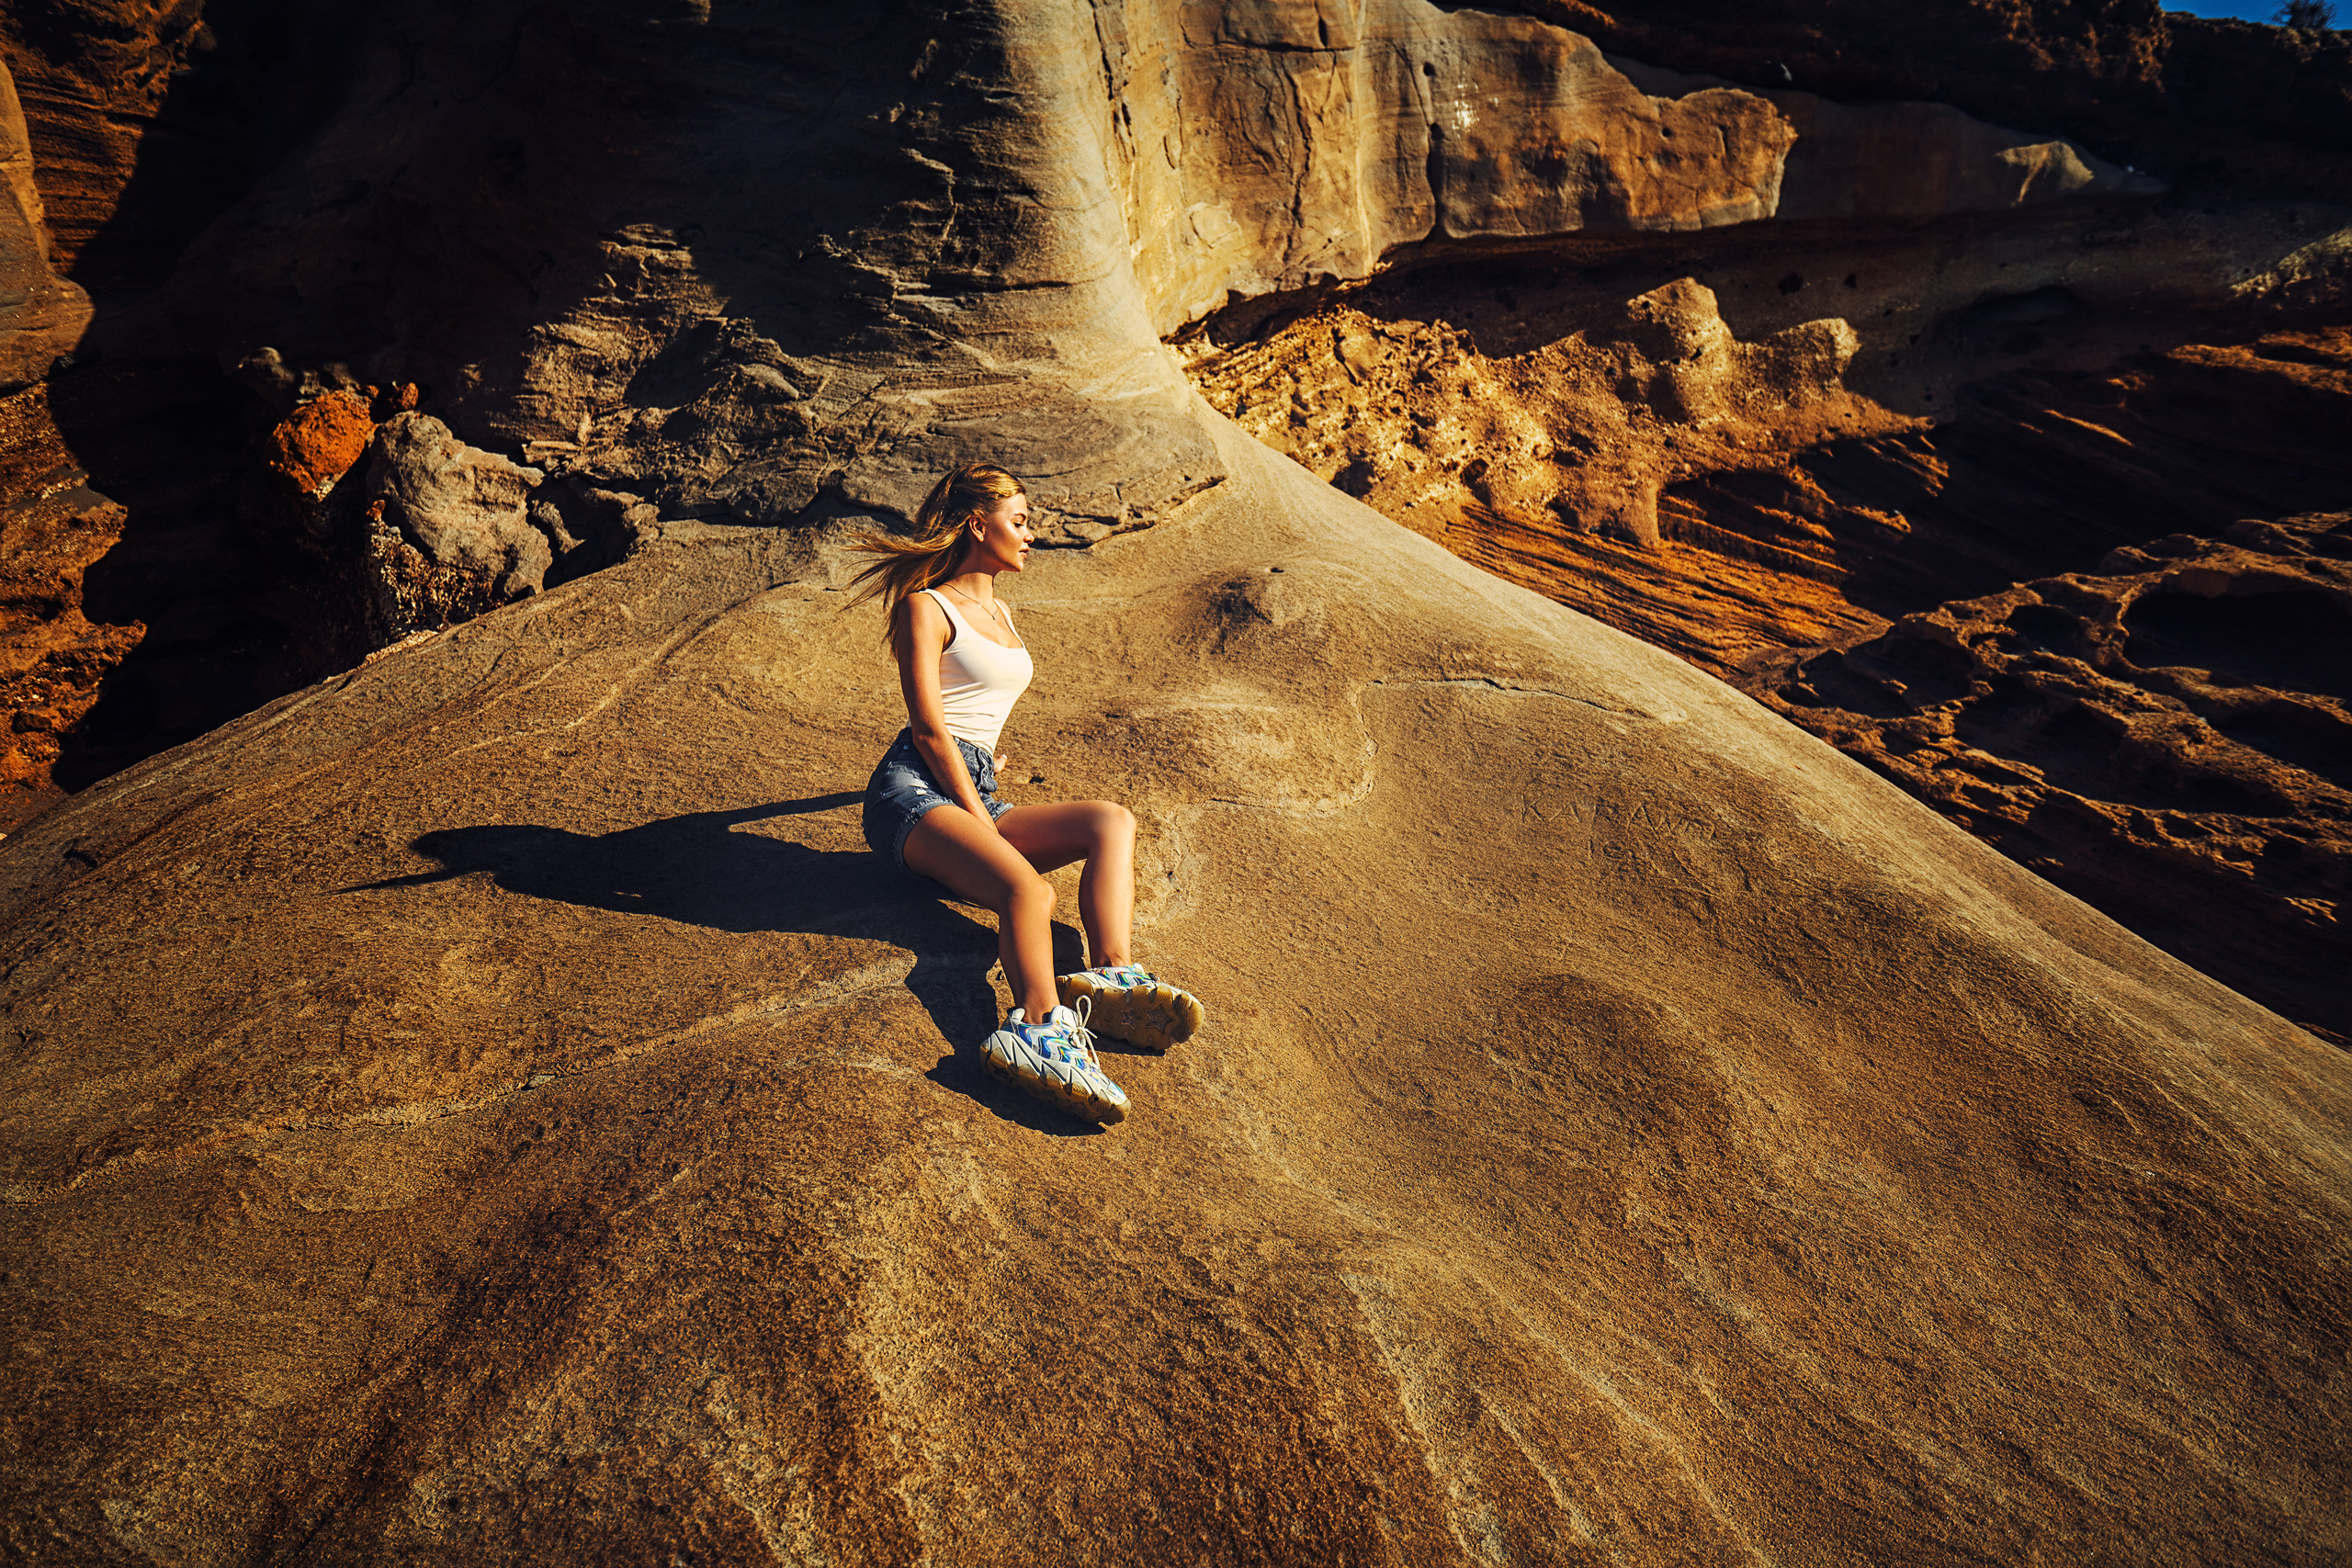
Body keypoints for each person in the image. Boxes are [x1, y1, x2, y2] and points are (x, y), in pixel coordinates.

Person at [851, 462, 1204, 1123]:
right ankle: (1037, 1026)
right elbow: (930, 728)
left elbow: (971, 714)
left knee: (1110, 822)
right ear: (977, 525)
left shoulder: (1003, 610)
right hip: (911, 794)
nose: (1030, 535)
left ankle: (1111, 975)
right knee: (1029, 892)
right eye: (1020, 522)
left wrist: (984, 768)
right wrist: (976, 807)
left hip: (970, 782)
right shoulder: (925, 607)